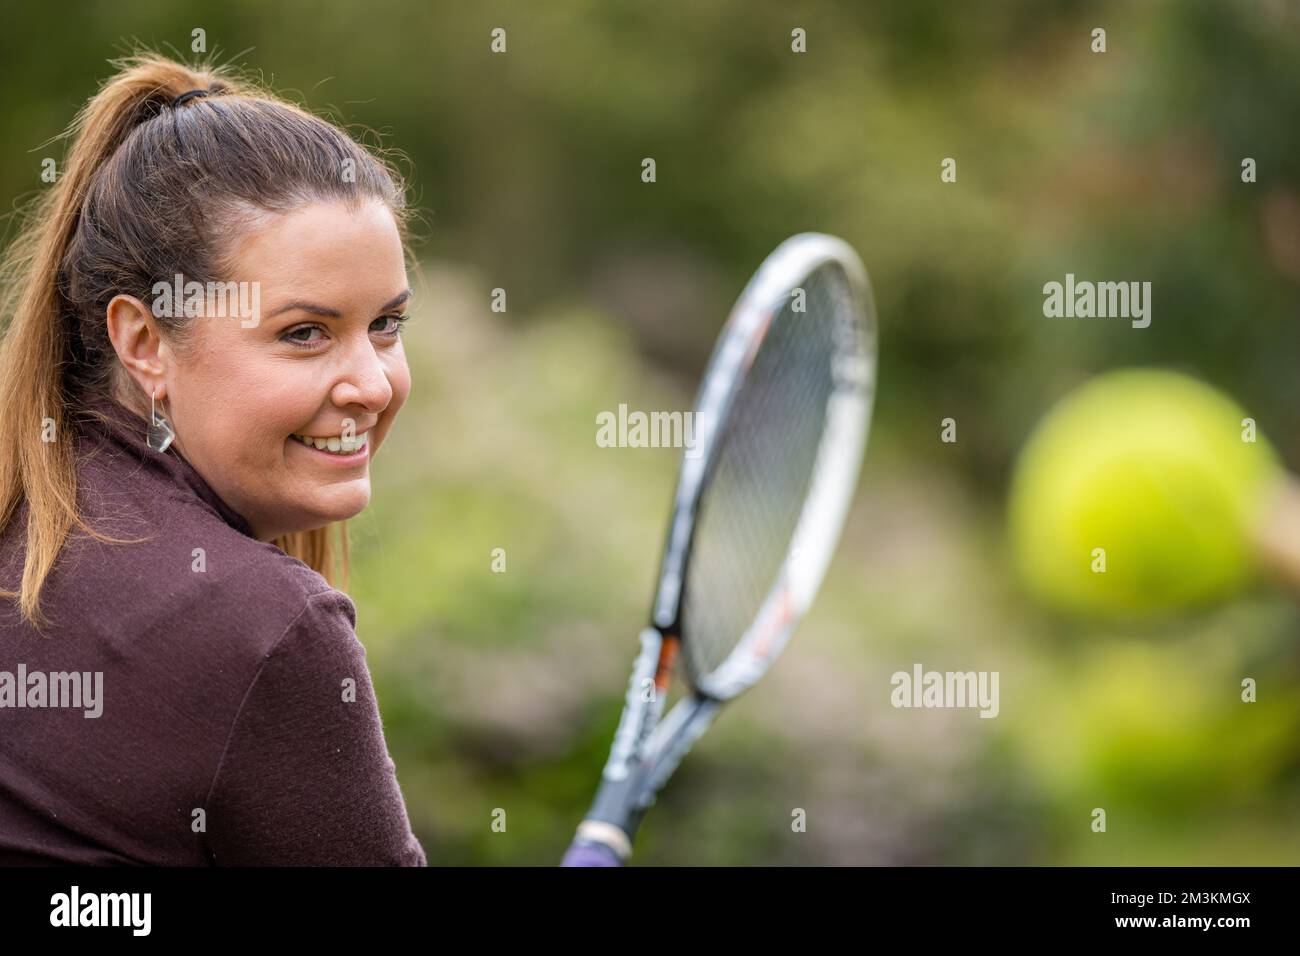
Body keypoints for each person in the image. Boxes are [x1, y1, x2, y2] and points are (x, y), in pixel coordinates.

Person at [0, 53, 426, 865]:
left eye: (388, 325)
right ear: (144, 340)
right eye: (304, 333)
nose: (372, 385)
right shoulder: (267, 627)